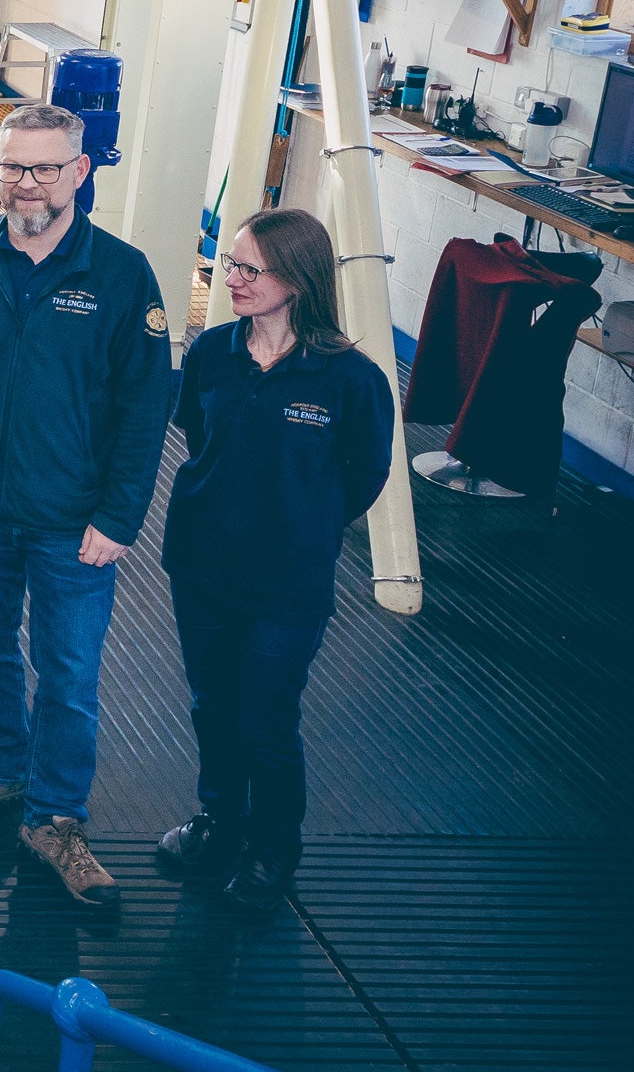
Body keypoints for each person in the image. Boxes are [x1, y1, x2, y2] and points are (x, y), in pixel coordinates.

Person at [0, 102, 174, 908]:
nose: (25, 183)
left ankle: (58, 817)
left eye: (45, 167)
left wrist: (119, 518)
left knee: (70, 671)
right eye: (13, 166)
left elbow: (143, 411)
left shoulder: (122, 276)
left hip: (71, 517)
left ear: (80, 172)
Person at [155, 208, 393, 910]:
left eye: (248, 270)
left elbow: (365, 475)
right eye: (228, 264)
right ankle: (220, 822)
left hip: (287, 583)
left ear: (297, 279)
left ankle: (273, 847)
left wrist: (300, 523)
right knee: (212, 705)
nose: (231, 279)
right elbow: (198, 432)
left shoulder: (349, 379)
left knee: (266, 715)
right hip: (201, 565)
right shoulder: (211, 352)